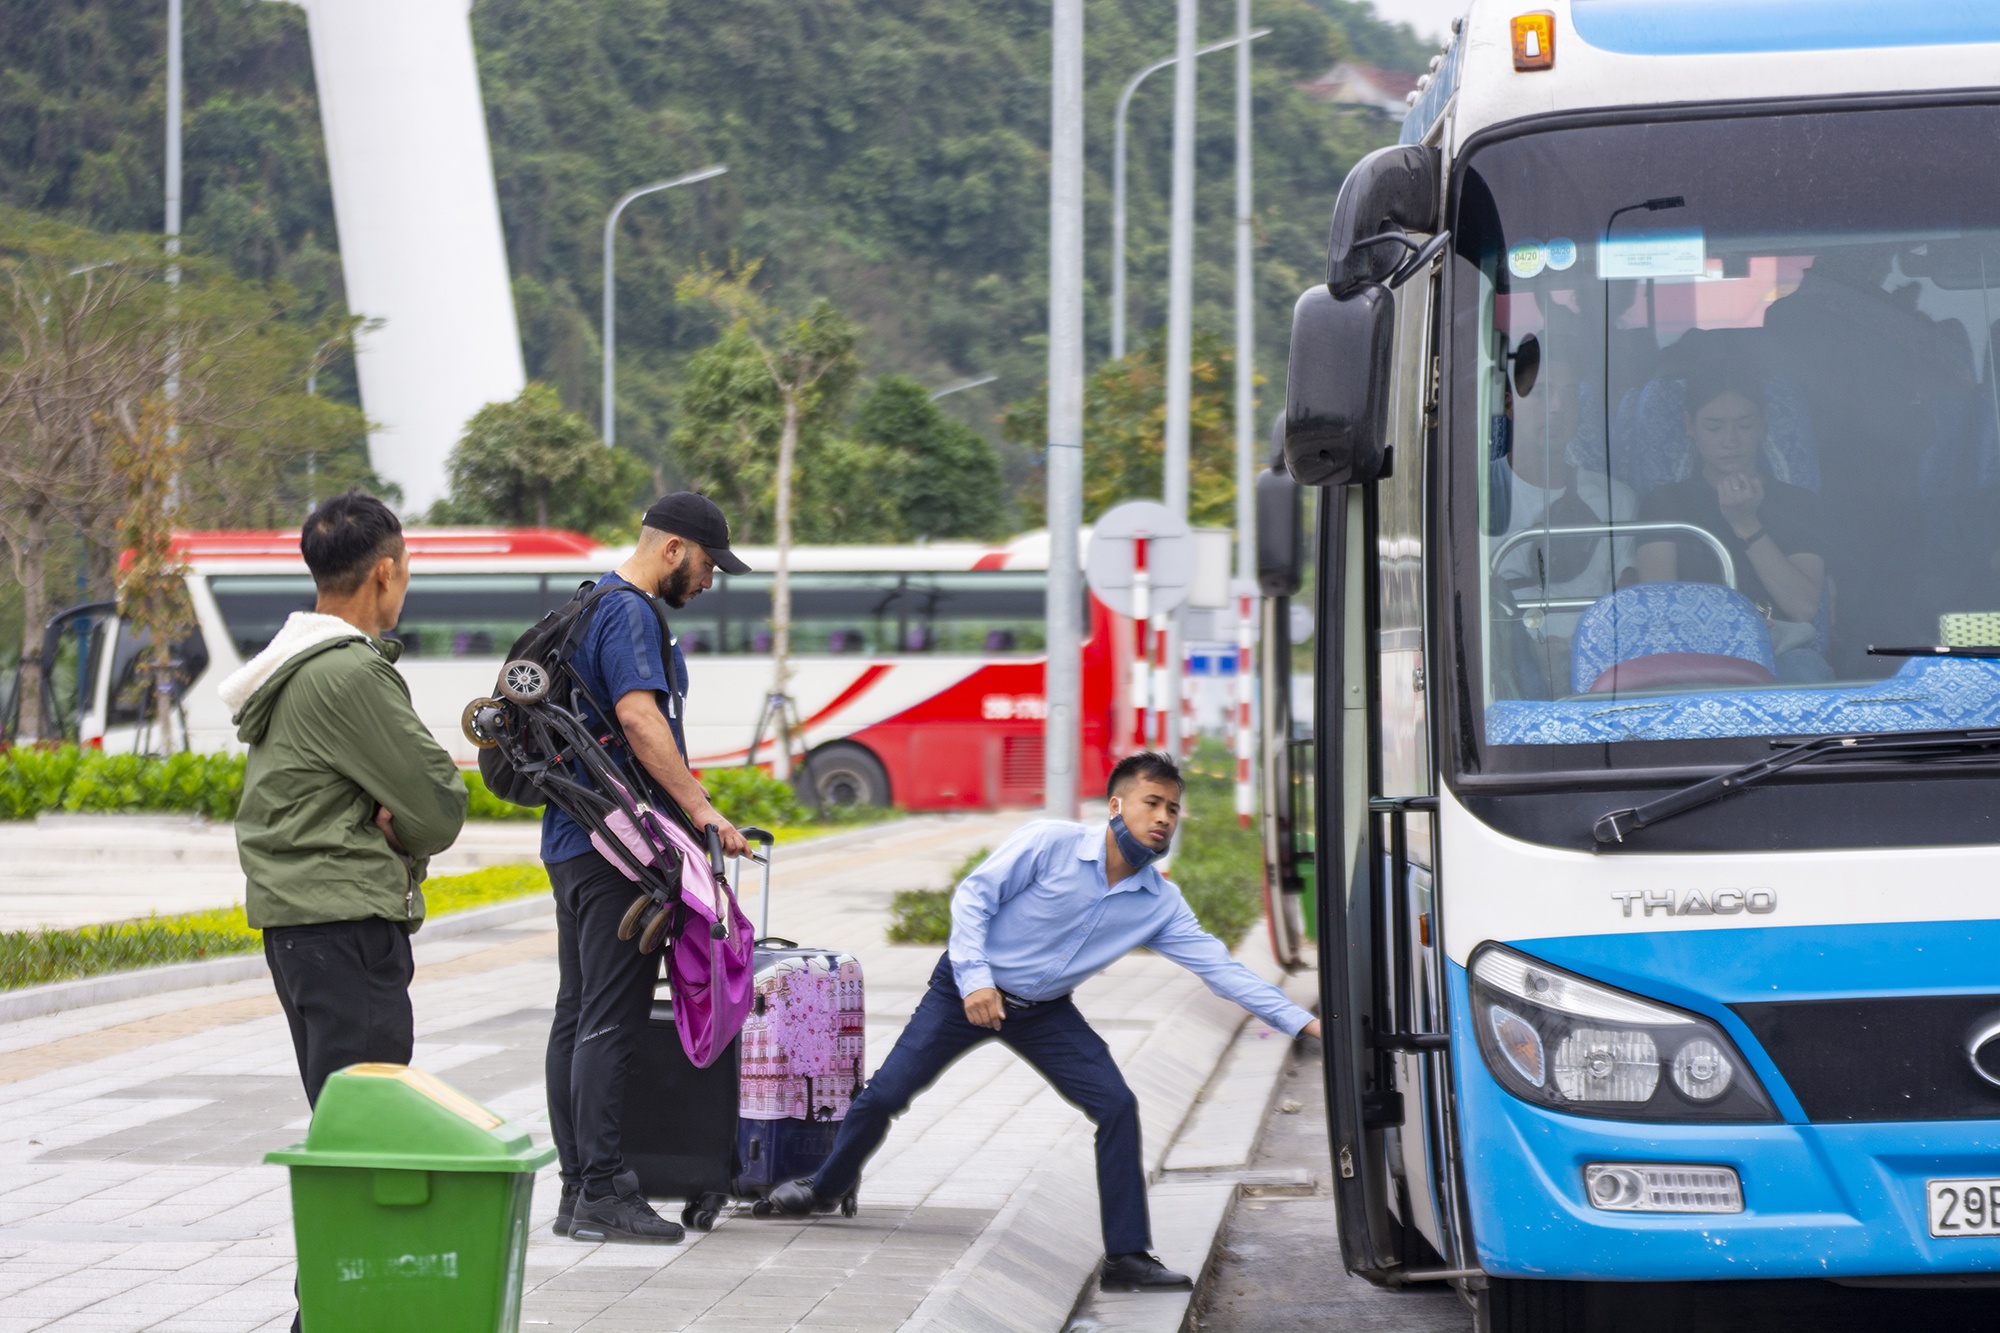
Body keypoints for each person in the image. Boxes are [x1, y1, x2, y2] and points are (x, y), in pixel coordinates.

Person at [768, 751, 1322, 1293]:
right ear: (1115, 805)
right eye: (1152, 803)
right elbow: (973, 899)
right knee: (884, 1094)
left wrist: (1306, 1025)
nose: (1163, 819)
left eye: (1173, 810)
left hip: (1044, 1013)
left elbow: (1222, 970)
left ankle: (1128, 1257)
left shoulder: (1159, 902)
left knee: (1116, 1105)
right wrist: (976, 979)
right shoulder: (1049, 843)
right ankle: (824, 1187)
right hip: (963, 992)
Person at [219, 491, 469, 1333]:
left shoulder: (291, 663)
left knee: (348, 1126)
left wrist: (391, 817)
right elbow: (438, 802)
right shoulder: (353, 670)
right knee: (368, 1139)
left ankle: (330, 1310)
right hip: (345, 923)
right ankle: (330, 1314)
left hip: (302, 926)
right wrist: (401, 827)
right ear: (386, 570)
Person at [543, 491, 752, 1245]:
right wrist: (704, 812)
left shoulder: (590, 601)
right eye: (705, 563)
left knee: (578, 1012)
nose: (709, 579)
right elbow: (639, 718)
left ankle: (578, 1190)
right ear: (672, 549)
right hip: (616, 849)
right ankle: (601, 1190)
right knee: (611, 1016)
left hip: (574, 842)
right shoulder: (629, 611)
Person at [1636, 364, 1830, 682]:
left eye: (1744, 425)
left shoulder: (1798, 503)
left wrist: (1746, 524)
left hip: (1780, 653)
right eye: (1714, 427)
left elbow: (1803, 607)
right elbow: (1659, 610)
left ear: (1763, 423)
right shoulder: (1664, 503)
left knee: (1806, 674)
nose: (1731, 441)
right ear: (1690, 425)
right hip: (1694, 656)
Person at [1491, 340, 1636, 689]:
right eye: (1542, 393)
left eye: (1570, 393)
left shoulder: (1614, 499)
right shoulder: (1476, 498)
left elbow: (1628, 600)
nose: (1559, 407)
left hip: (1601, 677)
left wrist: (1584, 650)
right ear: (1509, 404)